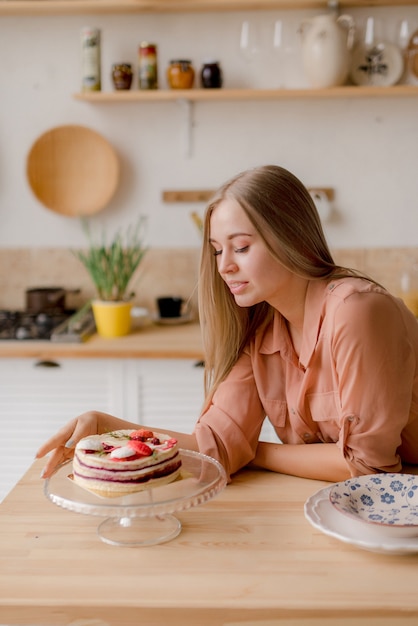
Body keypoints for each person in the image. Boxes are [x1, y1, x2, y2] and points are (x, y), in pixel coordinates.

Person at [37, 165, 418, 483]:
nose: (224, 266)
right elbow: (214, 449)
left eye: (241, 247)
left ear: (294, 240)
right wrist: (108, 426)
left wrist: (256, 452)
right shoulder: (262, 335)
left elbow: (368, 468)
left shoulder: (357, 311)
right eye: (218, 250)